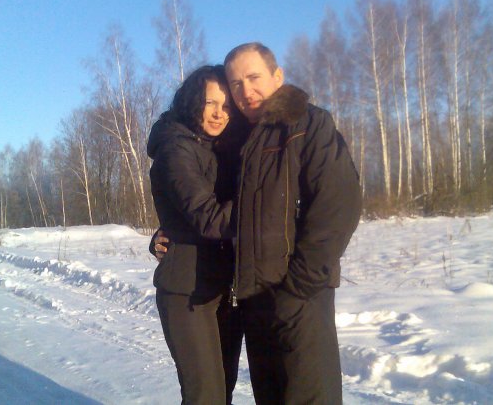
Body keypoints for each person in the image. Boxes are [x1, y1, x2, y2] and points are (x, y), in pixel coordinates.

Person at [155, 43, 362, 404]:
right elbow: (210, 207)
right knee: (266, 395)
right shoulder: (241, 139)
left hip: (299, 293)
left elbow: (337, 207)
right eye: (236, 84)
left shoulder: (308, 125)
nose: (245, 91)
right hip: (254, 298)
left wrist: (301, 286)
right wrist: (171, 231)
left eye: (254, 78)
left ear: (277, 76)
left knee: (309, 395)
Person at [147, 64, 244, 405]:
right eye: (210, 103)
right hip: (187, 291)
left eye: (226, 105)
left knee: (223, 390)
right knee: (205, 396)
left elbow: (187, 210)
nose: (219, 113)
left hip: (222, 289)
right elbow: (209, 218)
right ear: (192, 102)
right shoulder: (176, 149)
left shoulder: (214, 148)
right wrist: (265, 203)